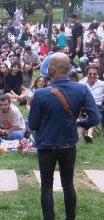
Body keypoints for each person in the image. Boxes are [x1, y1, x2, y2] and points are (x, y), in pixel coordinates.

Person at [28, 52, 101, 220]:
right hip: (68, 144)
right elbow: (95, 118)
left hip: (46, 145)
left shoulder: (40, 94)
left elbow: (32, 124)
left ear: (52, 69)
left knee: (46, 186)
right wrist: (78, 123)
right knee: (68, 185)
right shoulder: (82, 89)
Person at [78, 66, 104, 143]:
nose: (92, 75)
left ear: (97, 74)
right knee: (75, 112)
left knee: (92, 113)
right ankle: (80, 135)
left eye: (94, 74)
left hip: (97, 106)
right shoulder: (81, 83)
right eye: (90, 74)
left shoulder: (102, 84)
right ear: (86, 74)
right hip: (83, 105)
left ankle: (89, 135)